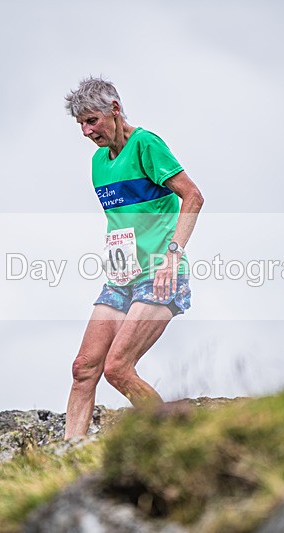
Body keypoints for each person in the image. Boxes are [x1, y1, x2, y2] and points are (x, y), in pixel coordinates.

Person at [62, 77, 204, 439]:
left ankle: (177, 438)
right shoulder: (98, 162)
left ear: (114, 110)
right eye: (80, 124)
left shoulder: (146, 144)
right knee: (84, 369)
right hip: (120, 279)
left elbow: (193, 197)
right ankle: (68, 455)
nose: (85, 131)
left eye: (91, 120)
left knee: (118, 368)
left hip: (160, 275)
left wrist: (173, 254)